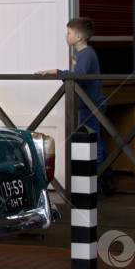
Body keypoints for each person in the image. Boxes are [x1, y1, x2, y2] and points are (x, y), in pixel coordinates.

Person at [36, 17, 114, 194]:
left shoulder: (86, 54)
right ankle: (106, 177)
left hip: (90, 105)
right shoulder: (84, 54)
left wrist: (57, 72)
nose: (66, 35)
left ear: (78, 37)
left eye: (69, 32)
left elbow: (79, 76)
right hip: (92, 104)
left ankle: (98, 184)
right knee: (98, 141)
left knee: (93, 143)